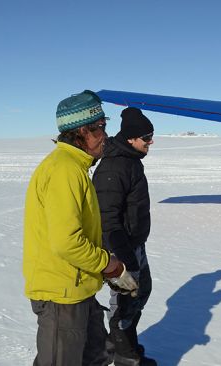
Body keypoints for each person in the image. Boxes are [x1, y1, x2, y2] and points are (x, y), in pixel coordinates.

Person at [23, 90, 139, 366]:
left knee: (97, 356)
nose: (105, 137)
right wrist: (109, 265)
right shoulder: (64, 170)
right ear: (82, 132)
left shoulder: (75, 167)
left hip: (78, 289)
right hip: (61, 296)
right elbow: (67, 242)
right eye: (101, 128)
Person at [92, 107, 157, 366]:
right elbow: (107, 220)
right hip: (121, 249)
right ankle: (124, 356)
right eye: (147, 137)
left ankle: (121, 343)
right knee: (124, 301)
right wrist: (125, 260)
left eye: (151, 136)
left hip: (134, 244)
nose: (151, 142)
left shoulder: (129, 161)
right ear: (131, 138)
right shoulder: (115, 167)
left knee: (141, 293)